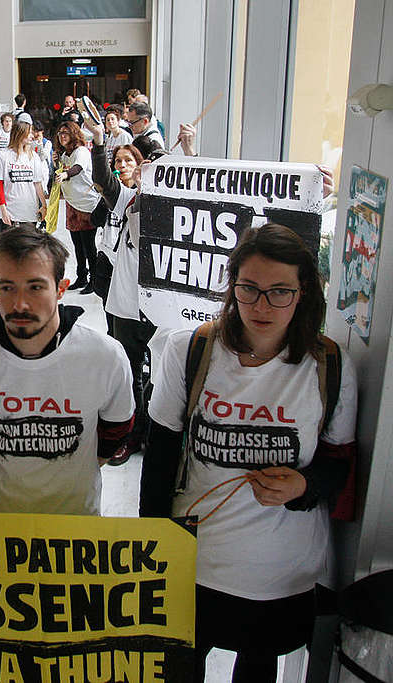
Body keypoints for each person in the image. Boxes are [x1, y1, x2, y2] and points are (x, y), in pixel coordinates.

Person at [140, 224, 357, 682]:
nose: (261, 305)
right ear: (232, 286)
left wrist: (304, 484)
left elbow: (340, 464)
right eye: (249, 289)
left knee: (258, 668)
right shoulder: (190, 350)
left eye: (280, 292)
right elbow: (158, 462)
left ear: (303, 294)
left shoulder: (329, 365)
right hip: (197, 560)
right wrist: (153, 550)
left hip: (281, 570)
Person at [0, 228, 134, 514]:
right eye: (7, 287)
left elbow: (117, 431)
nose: (20, 304)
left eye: (35, 287)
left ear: (61, 288)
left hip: (75, 524)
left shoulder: (105, 357)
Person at [84, 114, 197, 464]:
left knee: (165, 373)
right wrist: (101, 142)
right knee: (129, 372)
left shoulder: (181, 208)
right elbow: (104, 180)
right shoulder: (128, 199)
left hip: (166, 308)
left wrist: (190, 149)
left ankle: (160, 434)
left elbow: (202, 188)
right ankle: (131, 435)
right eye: (149, 170)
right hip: (125, 305)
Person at [92, 144, 143, 337]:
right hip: (108, 257)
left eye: (128, 160)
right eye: (118, 161)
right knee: (110, 313)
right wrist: (106, 199)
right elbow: (94, 219)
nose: (122, 165)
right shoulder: (114, 193)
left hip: (129, 264)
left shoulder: (140, 195)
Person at [53, 121, 100, 295]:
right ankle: (82, 276)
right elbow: (60, 172)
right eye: (60, 133)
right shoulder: (65, 154)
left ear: (74, 134)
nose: (62, 136)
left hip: (86, 204)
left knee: (89, 246)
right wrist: (57, 163)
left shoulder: (81, 151)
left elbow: (77, 169)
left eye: (66, 133)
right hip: (72, 203)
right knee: (77, 244)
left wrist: (65, 173)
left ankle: (94, 280)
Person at [0, 120, 47, 233]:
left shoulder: (34, 156)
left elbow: (37, 183)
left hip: (29, 211)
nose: (33, 135)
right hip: (9, 211)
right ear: (20, 133)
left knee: (28, 248)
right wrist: (3, 210)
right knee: (8, 249)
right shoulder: (3, 156)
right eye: (30, 132)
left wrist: (44, 206)